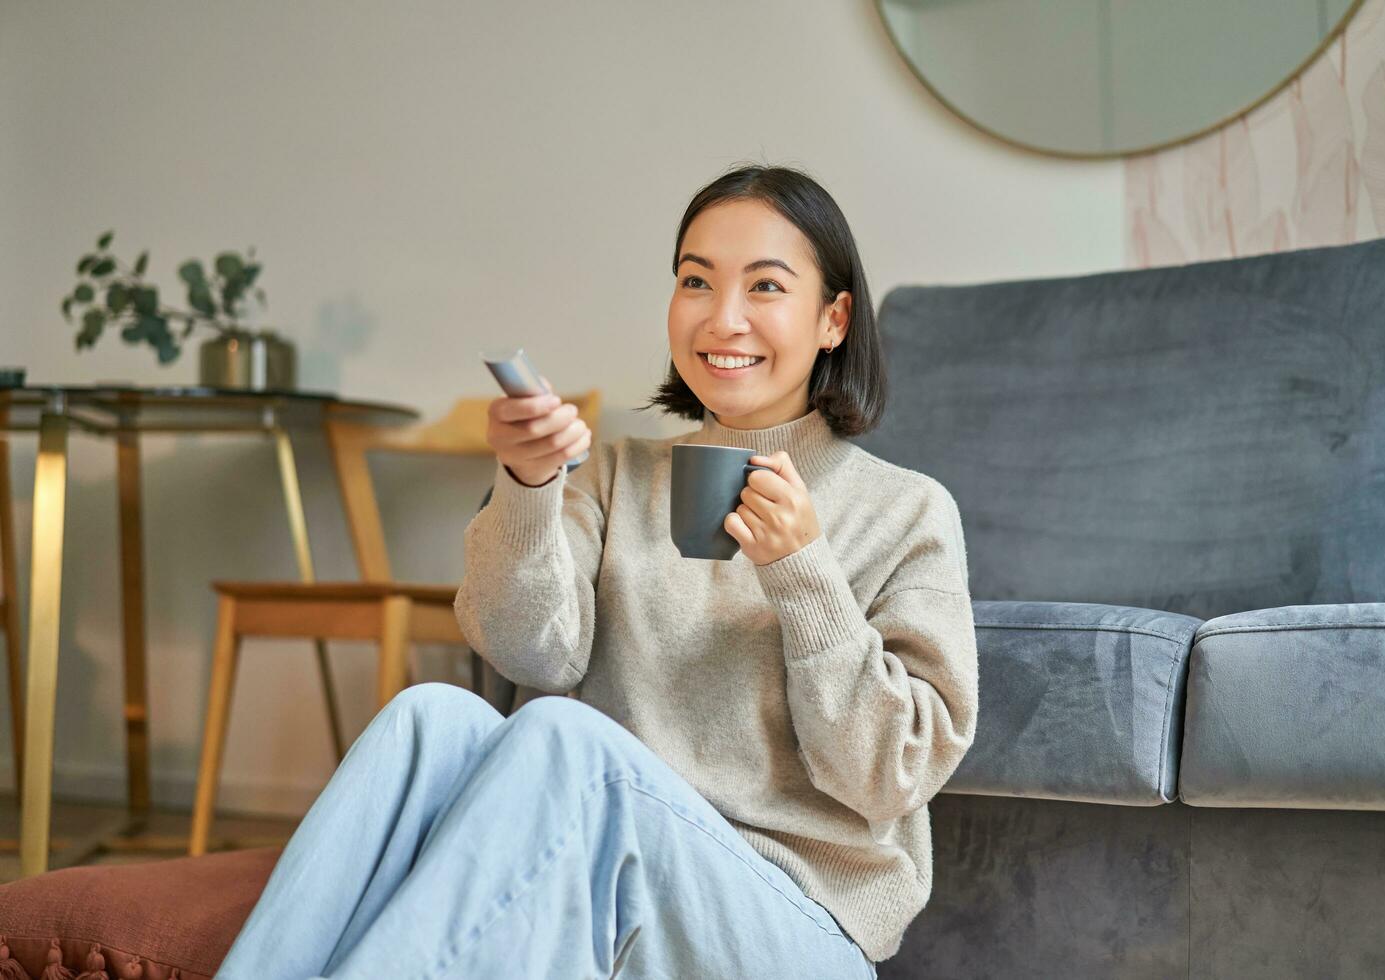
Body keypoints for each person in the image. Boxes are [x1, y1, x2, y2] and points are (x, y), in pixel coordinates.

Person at [216, 164, 977, 979]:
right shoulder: (618, 476)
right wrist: (529, 487)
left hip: (792, 925)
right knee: (429, 719)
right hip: (608, 878)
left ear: (832, 319)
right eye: (696, 280)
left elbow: (891, 775)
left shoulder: (907, 511)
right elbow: (529, 654)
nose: (723, 318)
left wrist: (802, 571)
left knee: (563, 735)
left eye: (764, 286)